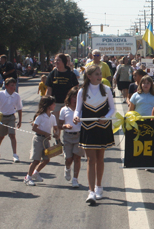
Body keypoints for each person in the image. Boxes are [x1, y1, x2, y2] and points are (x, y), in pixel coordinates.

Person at [73, 65, 115, 205]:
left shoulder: (106, 89)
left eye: (100, 74)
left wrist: (106, 117)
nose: (99, 76)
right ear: (89, 76)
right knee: (90, 160)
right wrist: (75, 117)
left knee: (100, 158)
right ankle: (91, 191)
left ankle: (99, 186)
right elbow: (77, 110)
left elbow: (112, 109)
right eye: (96, 74)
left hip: (102, 126)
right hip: (88, 127)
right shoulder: (82, 91)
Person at [24, 96, 59, 186]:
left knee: (46, 159)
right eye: (53, 104)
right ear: (48, 106)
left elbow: (55, 128)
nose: (55, 105)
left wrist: (56, 133)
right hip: (38, 139)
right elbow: (34, 128)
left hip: (46, 140)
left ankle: (35, 173)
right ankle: (28, 177)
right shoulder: (40, 116)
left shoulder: (52, 117)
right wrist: (44, 133)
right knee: (36, 160)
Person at [59, 87, 84, 188]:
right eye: (74, 97)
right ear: (69, 98)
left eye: (77, 97)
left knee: (77, 158)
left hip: (79, 136)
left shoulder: (81, 109)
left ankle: (75, 179)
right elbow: (59, 124)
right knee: (69, 159)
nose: (75, 99)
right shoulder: (64, 110)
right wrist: (65, 126)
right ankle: (67, 167)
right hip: (68, 137)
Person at [0, 78, 23, 162]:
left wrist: (20, 120)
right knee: (1, 136)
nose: (13, 87)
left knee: (12, 135)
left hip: (11, 117)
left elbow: (19, 109)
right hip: (2, 117)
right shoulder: (0, 94)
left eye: (14, 85)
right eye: (11, 85)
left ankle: (15, 154)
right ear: (6, 86)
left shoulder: (16, 96)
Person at [46, 53, 79, 126]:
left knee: (68, 123)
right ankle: (57, 137)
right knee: (57, 125)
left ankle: (66, 137)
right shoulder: (52, 74)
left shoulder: (71, 74)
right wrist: (46, 102)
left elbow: (76, 89)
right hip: (56, 103)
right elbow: (49, 90)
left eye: (58, 60)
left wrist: (76, 101)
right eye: (55, 60)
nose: (56, 62)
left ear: (64, 62)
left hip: (68, 104)